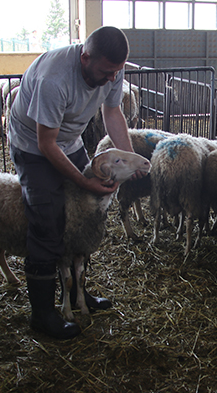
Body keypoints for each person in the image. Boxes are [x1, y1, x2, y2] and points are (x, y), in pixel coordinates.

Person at [8, 26, 143, 340]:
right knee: (47, 217)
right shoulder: (53, 79)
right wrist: (84, 181)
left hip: (68, 141)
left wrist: (131, 158)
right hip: (33, 146)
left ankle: (77, 294)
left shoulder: (110, 69)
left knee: (83, 216)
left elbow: (112, 111)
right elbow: (46, 144)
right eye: (106, 72)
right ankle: (42, 313)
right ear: (85, 58)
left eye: (117, 72)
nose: (112, 78)